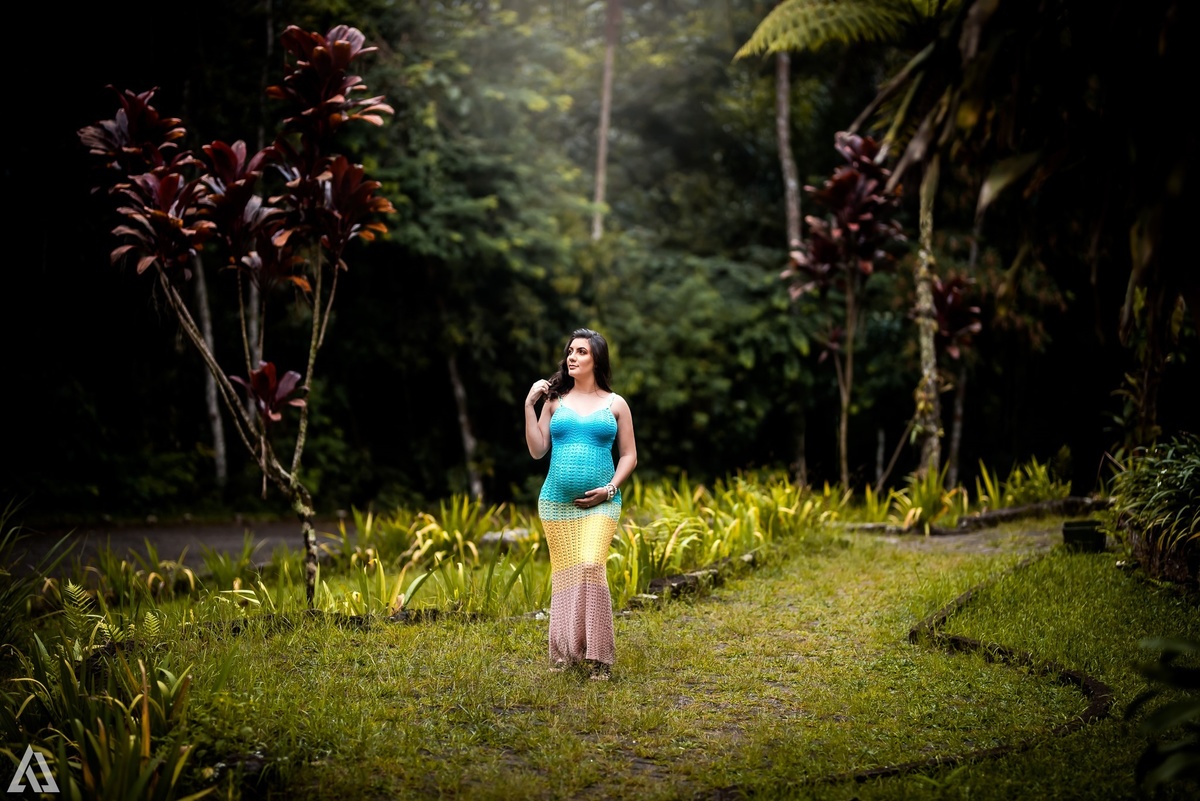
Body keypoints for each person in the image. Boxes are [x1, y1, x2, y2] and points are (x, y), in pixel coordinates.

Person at [524, 328, 637, 680]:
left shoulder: (615, 403)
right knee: (567, 574)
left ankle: (600, 658)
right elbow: (537, 449)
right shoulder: (555, 401)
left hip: (602, 503)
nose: (572, 356)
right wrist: (530, 405)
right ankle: (566, 654)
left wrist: (610, 489)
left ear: (596, 359)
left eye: (582, 352)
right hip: (557, 503)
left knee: (590, 565)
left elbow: (630, 456)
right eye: (571, 351)